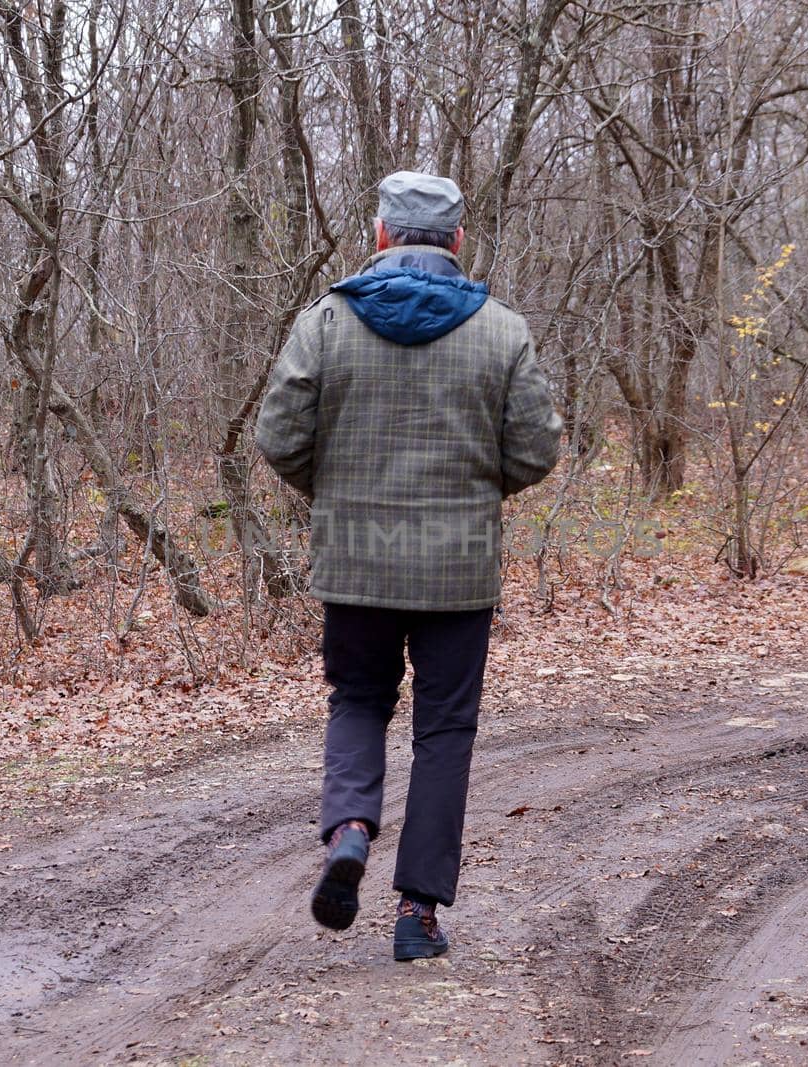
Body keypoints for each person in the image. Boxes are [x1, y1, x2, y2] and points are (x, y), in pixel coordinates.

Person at [255, 170, 562, 961]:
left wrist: (339, 494)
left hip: (355, 561)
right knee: (445, 730)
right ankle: (417, 914)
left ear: (383, 236)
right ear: (457, 242)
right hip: (457, 570)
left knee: (358, 699)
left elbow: (280, 436)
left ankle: (351, 827)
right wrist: (473, 489)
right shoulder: (502, 330)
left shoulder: (326, 323)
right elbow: (535, 449)